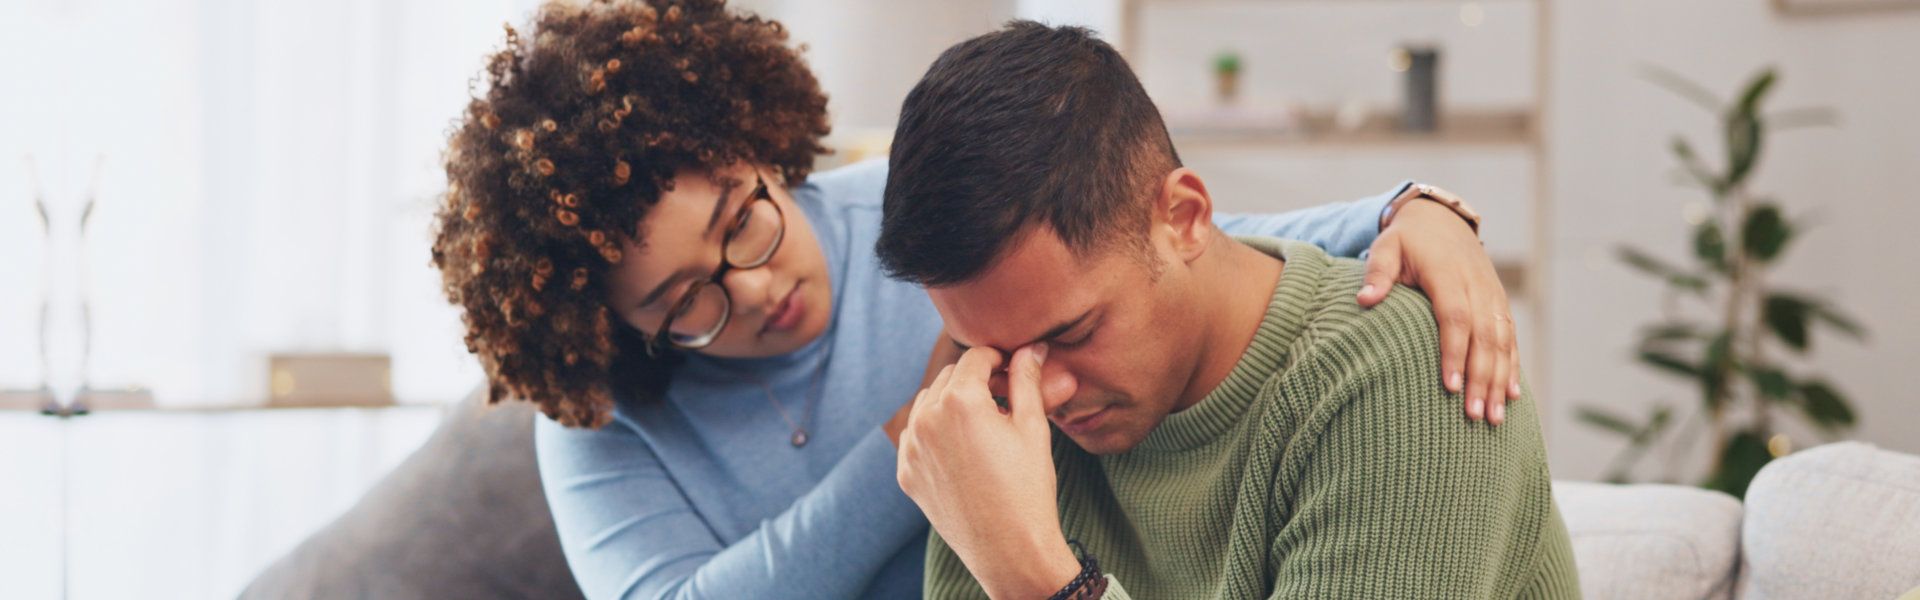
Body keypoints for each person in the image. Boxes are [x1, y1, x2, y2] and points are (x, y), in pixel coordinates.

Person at [429, 1, 1527, 598]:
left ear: (761, 149)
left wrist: (1406, 209)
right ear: (617, 333)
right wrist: (919, 452)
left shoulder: (948, 262)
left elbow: (1181, 250)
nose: (756, 287)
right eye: (684, 303)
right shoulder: (992, 420)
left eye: (744, 220)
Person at [881, 21, 1579, 600]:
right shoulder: (993, 416)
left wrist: (1041, 578)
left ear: (1184, 219)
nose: (1047, 392)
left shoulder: (1398, 379)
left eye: (1074, 332)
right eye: (995, 355)